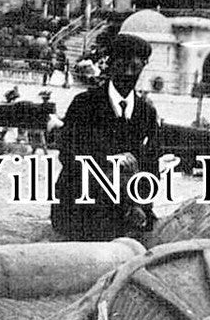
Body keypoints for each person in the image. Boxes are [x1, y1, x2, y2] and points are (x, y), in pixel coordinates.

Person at [51, 33, 161, 241]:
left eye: (135, 68)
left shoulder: (146, 113)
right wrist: (110, 162)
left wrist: (141, 205)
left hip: (126, 203)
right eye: (122, 65)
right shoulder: (84, 104)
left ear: (144, 67)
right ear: (109, 64)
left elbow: (151, 165)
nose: (128, 74)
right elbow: (68, 154)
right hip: (81, 201)